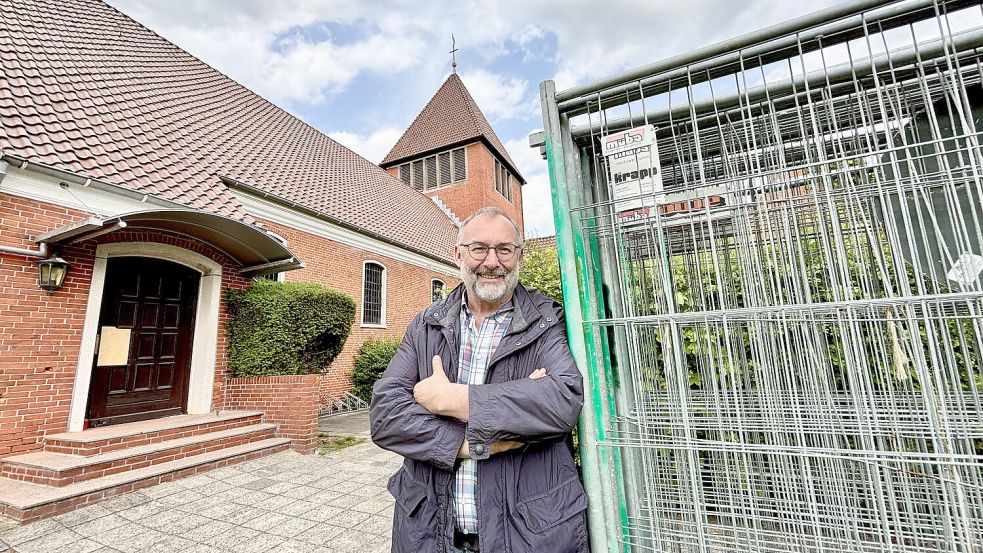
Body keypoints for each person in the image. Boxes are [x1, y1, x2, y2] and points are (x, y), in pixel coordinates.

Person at [370, 207, 588, 553]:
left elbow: (561, 402)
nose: (492, 261)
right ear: (458, 253)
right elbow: (385, 415)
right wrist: (472, 444)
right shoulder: (427, 324)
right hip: (428, 532)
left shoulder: (548, 320)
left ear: (520, 255)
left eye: (504, 249)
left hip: (528, 535)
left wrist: (448, 399)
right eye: (478, 248)